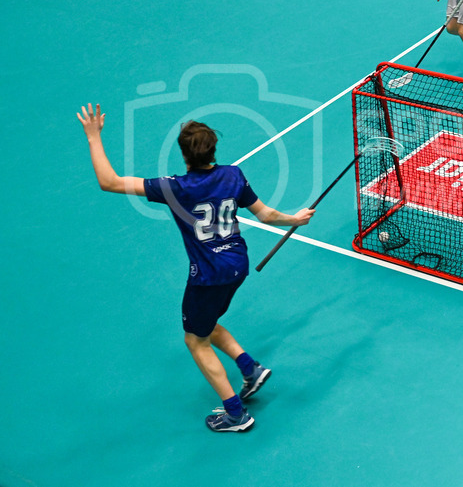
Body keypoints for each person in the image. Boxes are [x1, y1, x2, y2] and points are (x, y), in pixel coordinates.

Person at [77, 105, 316, 432]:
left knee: (195, 340)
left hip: (208, 276)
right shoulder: (234, 175)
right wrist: (295, 219)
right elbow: (266, 215)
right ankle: (251, 369)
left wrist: (93, 137)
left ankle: (236, 414)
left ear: (185, 155)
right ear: (213, 150)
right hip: (238, 264)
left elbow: (110, 182)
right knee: (207, 322)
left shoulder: (175, 187)